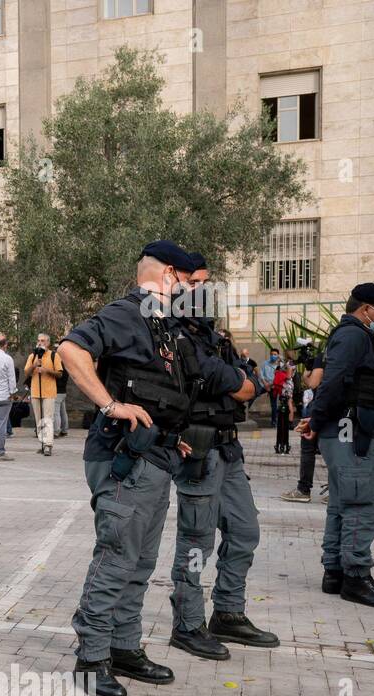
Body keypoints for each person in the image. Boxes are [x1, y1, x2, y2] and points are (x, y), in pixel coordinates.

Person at [57, 241, 246, 696]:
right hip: (123, 458)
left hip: (157, 457)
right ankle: (91, 660)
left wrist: (172, 434)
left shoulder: (165, 325)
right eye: (188, 282)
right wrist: (111, 405)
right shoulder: (129, 311)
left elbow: (163, 392)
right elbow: (70, 349)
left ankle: (123, 648)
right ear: (167, 278)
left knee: (139, 564)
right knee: (116, 558)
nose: (195, 292)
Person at [165, 251, 275, 661]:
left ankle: (227, 613)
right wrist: (240, 382)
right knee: (196, 542)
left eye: (206, 283)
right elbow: (236, 383)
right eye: (194, 283)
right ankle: (187, 624)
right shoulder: (172, 334)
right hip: (199, 448)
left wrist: (241, 381)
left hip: (228, 448)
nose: (202, 291)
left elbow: (251, 383)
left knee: (246, 532)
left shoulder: (212, 335)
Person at [298, 282, 374, 608]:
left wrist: (316, 419)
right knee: (360, 503)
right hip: (350, 430)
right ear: (366, 308)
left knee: (342, 502)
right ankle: (356, 576)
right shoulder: (354, 335)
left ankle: (335, 572)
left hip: (344, 428)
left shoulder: (350, 334)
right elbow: (334, 380)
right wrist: (314, 419)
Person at [281, 342, 326, 502]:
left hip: (319, 409)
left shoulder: (324, 358)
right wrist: (310, 366)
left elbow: (312, 383)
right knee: (330, 452)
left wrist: (316, 364)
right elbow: (309, 381)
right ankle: (336, 490)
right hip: (328, 409)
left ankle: (303, 489)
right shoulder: (340, 359)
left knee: (308, 450)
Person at [24, 332, 63, 456]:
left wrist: (46, 370)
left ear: (48, 343)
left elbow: (60, 373)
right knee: (39, 419)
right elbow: (27, 373)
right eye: (39, 340)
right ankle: (42, 443)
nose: (40, 342)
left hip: (49, 391)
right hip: (35, 391)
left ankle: (48, 445)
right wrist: (34, 365)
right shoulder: (33, 355)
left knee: (47, 419)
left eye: (43, 340)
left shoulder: (54, 355)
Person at [260, 347, 280, 427]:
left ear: (278, 355)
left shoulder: (279, 366)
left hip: (273, 386)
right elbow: (261, 374)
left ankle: (274, 422)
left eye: (275, 354)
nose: (273, 356)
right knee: (254, 395)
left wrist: (271, 385)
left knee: (274, 404)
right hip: (264, 384)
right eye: (271, 354)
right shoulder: (265, 363)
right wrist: (265, 384)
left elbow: (279, 377)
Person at [53, 350, 70, 437]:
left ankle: (56, 431)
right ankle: (64, 430)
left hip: (57, 391)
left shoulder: (59, 366)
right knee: (63, 412)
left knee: (55, 413)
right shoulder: (66, 365)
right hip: (63, 392)